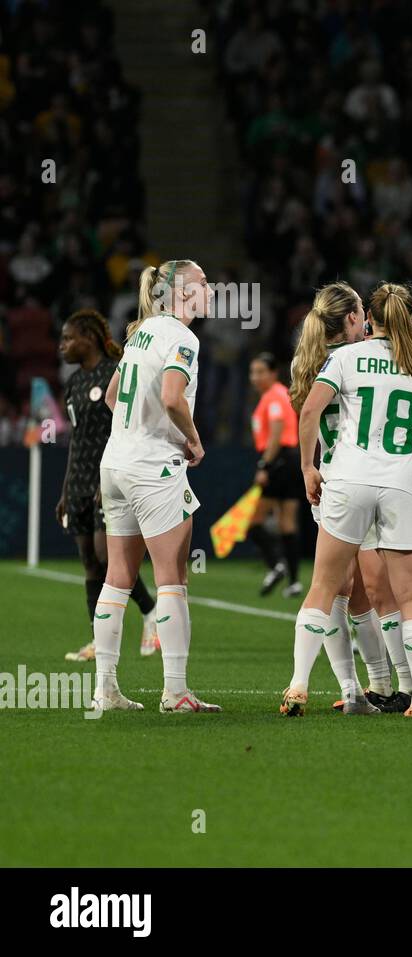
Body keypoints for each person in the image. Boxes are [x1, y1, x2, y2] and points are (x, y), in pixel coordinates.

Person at [281, 281, 412, 718]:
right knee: (411, 594)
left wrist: (308, 467)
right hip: (401, 483)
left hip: (347, 480)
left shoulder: (341, 358)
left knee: (326, 587)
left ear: (370, 320)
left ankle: (299, 683)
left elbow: (307, 412)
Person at [95, 260, 220, 713]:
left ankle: (105, 689)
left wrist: (136, 432)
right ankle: (176, 691)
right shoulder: (183, 337)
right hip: (153, 469)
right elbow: (171, 396)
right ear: (183, 291)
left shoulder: (141, 332)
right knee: (172, 579)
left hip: (116, 464)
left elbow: (111, 397)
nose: (212, 289)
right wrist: (191, 438)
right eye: (204, 283)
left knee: (117, 579)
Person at [286, 281, 384, 714]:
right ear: (350, 319)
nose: (366, 317)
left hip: (326, 484)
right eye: (362, 310)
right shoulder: (353, 360)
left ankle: (354, 689)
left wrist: (308, 468)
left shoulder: (305, 362)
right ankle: (398, 684)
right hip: (358, 478)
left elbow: (306, 417)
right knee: (368, 589)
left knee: (345, 589)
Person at [57, 309, 158, 663]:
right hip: (80, 480)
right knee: (89, 562)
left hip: (109, 476)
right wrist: (67, 490)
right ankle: (98, 641)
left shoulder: (114, 373)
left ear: (89, 338)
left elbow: (126, 426)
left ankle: (150, 612)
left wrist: (111, 474)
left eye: (68, 338)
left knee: (107, 555)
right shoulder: (73, 383)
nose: (63, 346)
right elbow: (75, 438)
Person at [247, 352, 304, 597]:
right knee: (287, 523)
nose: (255, 377)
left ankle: (276, 565)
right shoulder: (281, 394)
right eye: (253, 372)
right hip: (291, 459)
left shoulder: (274, 397)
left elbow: (277, 431)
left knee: (254, 523)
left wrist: (264, 466)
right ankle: (293, 582)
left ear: (273, 373)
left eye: (260, 372)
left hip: (278, 460)